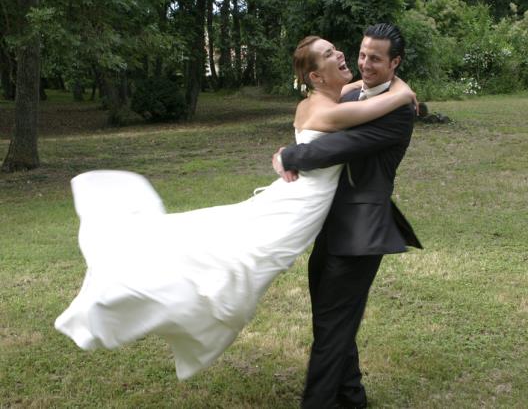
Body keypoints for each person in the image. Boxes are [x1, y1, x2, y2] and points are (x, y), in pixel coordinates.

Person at [54, 34, 417, 382]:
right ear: (316, 77)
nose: (340, 55)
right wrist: (404, 92)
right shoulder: (331, 112)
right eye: (329, 54)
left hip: (296, 195)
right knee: (241, 263)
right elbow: (375, 105)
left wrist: (387, 86)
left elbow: (360, 90)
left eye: (336, 49)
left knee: (229, 243)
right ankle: (151, 298)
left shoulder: (321, 98)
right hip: (299, 207)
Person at [272, 23, 422, 409]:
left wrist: (289, 155)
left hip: (359, 233)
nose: (365, 64)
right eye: (362, 54)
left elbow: (335, 147)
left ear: (395, 63)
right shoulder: (352, 93)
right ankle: (352, 396)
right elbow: (323, 116)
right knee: (331, 322)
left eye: (376, 59)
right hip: (328, 224)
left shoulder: (398, 110)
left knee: (331, 329)